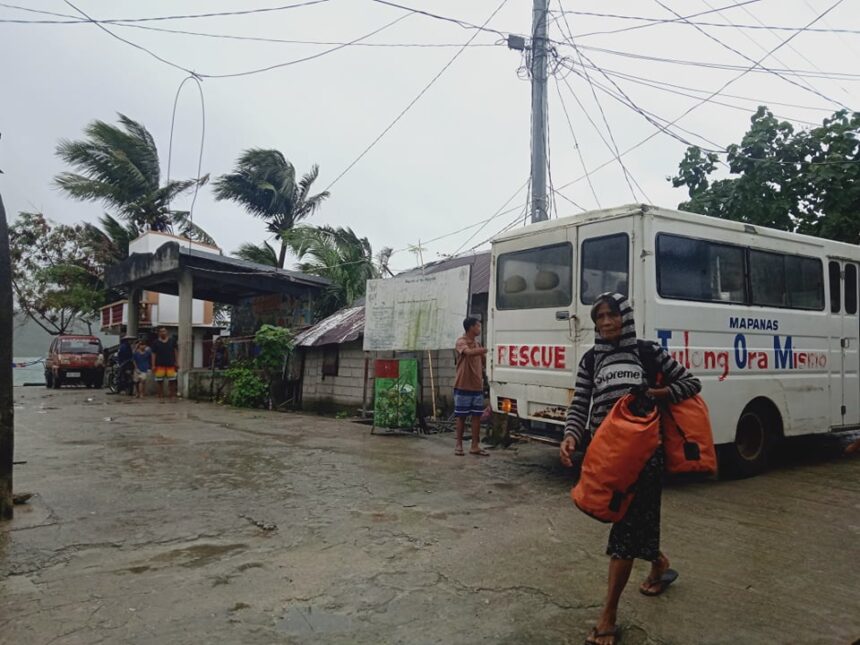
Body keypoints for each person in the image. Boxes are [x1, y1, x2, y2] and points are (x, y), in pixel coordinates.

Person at [559, 293, 701, 645]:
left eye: (612, 315)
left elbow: (691, 384)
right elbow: (580, 403)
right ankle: (659, 564)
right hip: (607, 457)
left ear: (625, 317)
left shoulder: (647, 352)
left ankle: (607, 618)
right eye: (600, 317)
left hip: (645, 457)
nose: (606, 323)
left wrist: (656, 392)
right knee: (637, 520)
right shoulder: (591, 359)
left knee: (624, 530)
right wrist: (571, 436)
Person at [454, 317, 489, 457]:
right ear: (470, 328)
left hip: (477, 387)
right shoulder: (461, 342)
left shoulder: (477, 344)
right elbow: (468, 353)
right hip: (463, 385)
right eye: (478, 326)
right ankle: (459, 445)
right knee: (461, 417)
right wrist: (485, 350)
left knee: (476, 417)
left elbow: (484, 362)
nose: (480, 329)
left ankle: (475, 446)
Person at [151, 327, 179, 402]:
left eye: (164, 331)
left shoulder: (172, 341)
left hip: (170, 364)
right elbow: (153, 354)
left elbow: (175, 351)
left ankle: (172, 396)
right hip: (159, 365)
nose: (163, 333)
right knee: (159, 382)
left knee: (172, 381)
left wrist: (177, 362)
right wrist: (153, 365)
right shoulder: (155, 342)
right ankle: (161, 396)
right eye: (161, 331)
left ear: (167, 332)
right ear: (159, 333)